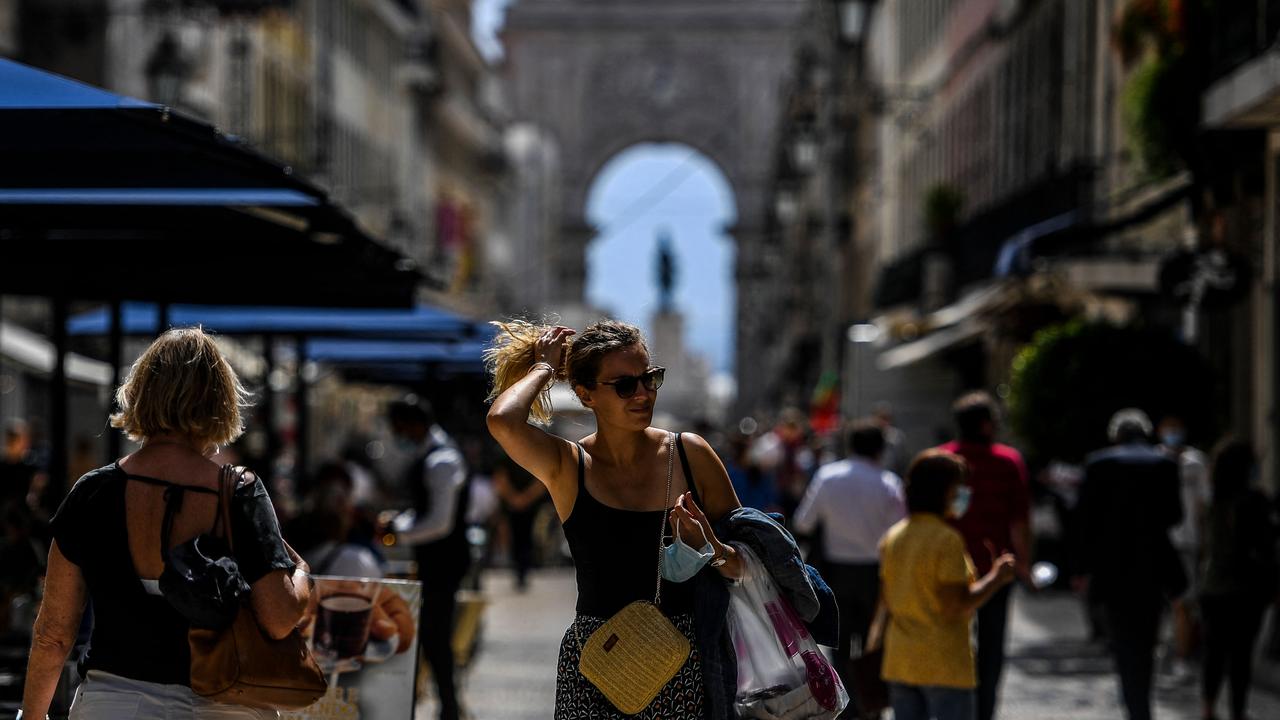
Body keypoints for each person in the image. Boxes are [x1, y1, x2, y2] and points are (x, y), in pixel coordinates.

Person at [20, 327, 311, 720]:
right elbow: (278, 621)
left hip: (114, 703)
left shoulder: (93, 493)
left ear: (140, 393)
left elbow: (54, 634)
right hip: (225, 704)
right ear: (220, 402)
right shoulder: (239, 494)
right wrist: (303, 576)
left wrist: (32, 716)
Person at [485, 319, 744, 718]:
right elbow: (502, 421)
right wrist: (544, 369)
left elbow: (744, 565)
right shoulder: (569, 466)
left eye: (649, 379)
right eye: (625, 385)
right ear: (585, 395)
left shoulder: (690, 455)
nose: (642, 394)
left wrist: (713, 547)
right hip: (594, 663)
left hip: (681, 661)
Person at [875, 450, 1017, 720]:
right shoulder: (946, 540)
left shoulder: (893, 536)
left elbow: (885, 602)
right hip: (943, 663)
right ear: (943, 491)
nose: (964, 494)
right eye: (959, 487)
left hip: (900, 661)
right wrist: (996, 578)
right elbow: (956, 605)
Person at [1073, 408, 1183, 720]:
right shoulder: (1164, 464)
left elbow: (1084, 523)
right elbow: (1175, 516)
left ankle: (1135, 706)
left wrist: (1080, 569)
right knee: (1147, 642)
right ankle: (1141, 705)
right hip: (1152, 567)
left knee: (1122, 644)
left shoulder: (1098, 464)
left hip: (1112, 568)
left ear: (1116, 435)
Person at [794, 420, 905, 718]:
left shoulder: (828, 477)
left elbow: (804, 522)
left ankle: (845, 703)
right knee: (874, 642)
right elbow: (901, 531)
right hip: (877, 574)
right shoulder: (889, 482)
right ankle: (872, 703)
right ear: (880, 448)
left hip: (836, 573)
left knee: (840, 645)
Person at [934, 391, 1031, 720]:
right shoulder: (1008, 461)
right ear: (988, 425)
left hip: (947, 569)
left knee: (949, 643)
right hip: (996, 571)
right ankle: (984, 712)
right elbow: (1018, 521)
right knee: (991, 649)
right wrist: (1026, 565)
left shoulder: (941, 459)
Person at [386, 398, 470, 720]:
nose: (399, 435)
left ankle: (449, 706)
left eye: (400, 428)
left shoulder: (442, 461)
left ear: (414, 424)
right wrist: (399, 522)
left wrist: (397, 532)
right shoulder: (433, 455)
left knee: (436, 635)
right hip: (436, 560)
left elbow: (439, 522)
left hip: (444, 561)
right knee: (432, 635)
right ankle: (447, 704)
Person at [1198, 440, 1278, 720]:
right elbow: (1264, 547)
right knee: (1240, 655)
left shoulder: (1214, 501)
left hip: (1213, 588)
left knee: (1214, 653)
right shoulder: (1254, 501)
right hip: (1244, 589)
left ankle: (1208, 707)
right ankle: (1237, 711)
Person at [1157, 413, 1210, 682]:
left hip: (1187, 541)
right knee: (1166, 603)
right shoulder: (1155, 460)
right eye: (1169, 428)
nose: (1172, 433)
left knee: (1183, 602)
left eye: (1177, 428)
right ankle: (1169, 650)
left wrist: (1204, 541)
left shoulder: (1195, 463)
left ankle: (1181, 656)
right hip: (1161, 541)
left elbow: (1203, 506)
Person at [493, 451, 547, 591]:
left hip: (530, 505)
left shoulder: (537, 453)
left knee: (529, 538)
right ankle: (519, 569)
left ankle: (524, 569)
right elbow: (500, 478)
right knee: (515, 538)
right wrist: (515, 498)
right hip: (514, 505)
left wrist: (524, 499)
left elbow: (542, 480)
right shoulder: (505, 453)